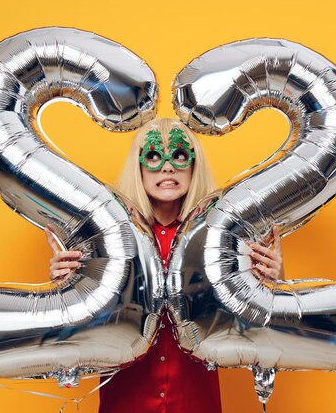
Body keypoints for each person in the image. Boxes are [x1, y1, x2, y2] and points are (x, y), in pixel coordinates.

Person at [44, 117, 284, 413]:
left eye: (180, 156)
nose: (168, 167)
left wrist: (271, 282)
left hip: (196, 403)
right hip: (125, 403)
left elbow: (251, 328)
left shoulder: (221, 241)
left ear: (193, 166)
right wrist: (65, 284)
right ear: (139, 166)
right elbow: (83, 330)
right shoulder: (108, 240)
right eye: (154, 156)